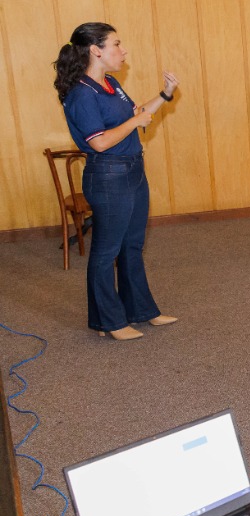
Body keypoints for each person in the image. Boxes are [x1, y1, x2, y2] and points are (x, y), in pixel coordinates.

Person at [54, 22, 181, 341]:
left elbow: (136, 117)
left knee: (132, 246)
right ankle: (107, 321)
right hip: (108, 175)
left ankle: (140, 311)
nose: (123, 51)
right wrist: (135, 121)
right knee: (106, 251)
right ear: (96, 51)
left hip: (133, 171)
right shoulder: (81, 93)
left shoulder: (111, 84)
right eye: (116, 44)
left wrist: (164, 95)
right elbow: (98, 142)